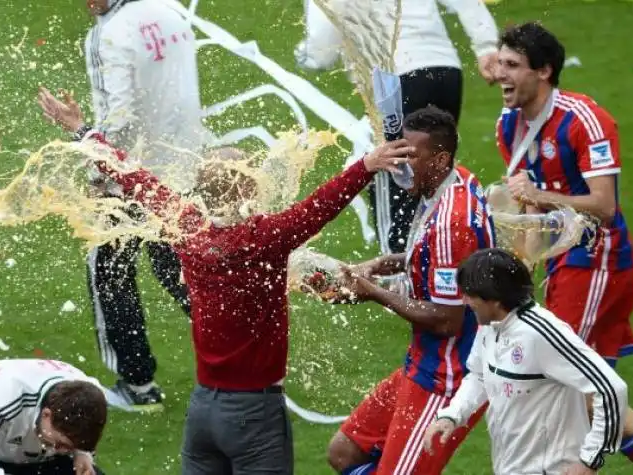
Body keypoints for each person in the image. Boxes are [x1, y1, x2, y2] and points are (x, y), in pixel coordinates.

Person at [37, 85, 412, 475]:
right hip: (255, 414)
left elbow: (133, 177)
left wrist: (83, 130)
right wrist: (368, 164)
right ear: (247, 187)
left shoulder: (186, 227)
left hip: (203, 412)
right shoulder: (266, 237)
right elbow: (322, 204)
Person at [494, 22, 633, 475]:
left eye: (511, 65)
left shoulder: (583, 119)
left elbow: (604, 206)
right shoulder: (509, 126)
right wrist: (522, 278)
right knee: (590, 398)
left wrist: (540, 195)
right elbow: (530, 211)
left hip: (597, 260)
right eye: (499, 63)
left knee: (555, 388)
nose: (499, 74)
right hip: (565, 263)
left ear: (543, 71)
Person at [326, 106, 494, 474]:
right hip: (421, 364)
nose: (400, 165)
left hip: (446, 379)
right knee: (345, 452)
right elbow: (432, 255)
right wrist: (380, 263)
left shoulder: (453, 222)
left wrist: (373, 292)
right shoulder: (455, 182)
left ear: (441, 157)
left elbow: (447, 320)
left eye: (411, 157)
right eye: (400, 153)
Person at [69, 0, 212, 411]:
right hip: (184, 169)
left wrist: (101, 174)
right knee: (183, 271)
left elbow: (119, 117)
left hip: (133, 179)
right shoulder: (169, 9)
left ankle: (137, 383)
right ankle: (244, 354)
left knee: (110, 273)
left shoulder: (106, 34)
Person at [295, 0, 499, 255]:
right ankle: (445, 263)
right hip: (445, 72)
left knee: (393, 179)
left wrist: (305, 55)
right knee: (434, 176)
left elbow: (321, 48)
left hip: (395, 80)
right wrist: (487, 46)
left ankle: (400, 279)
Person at [422, 248, 629, 475]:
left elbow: (611, 388)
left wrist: (590, 460)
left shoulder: (542, 334)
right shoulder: (490, 325)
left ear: (494, 299)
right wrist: (452, 415)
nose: (465, 300)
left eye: (470, 294)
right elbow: (479, 376)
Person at [0, 358, 108, 475]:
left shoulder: (93, 397)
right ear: (46, 414)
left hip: (43, 459)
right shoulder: (2, 398)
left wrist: (82, 454)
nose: (63, 451)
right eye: (60, 444)